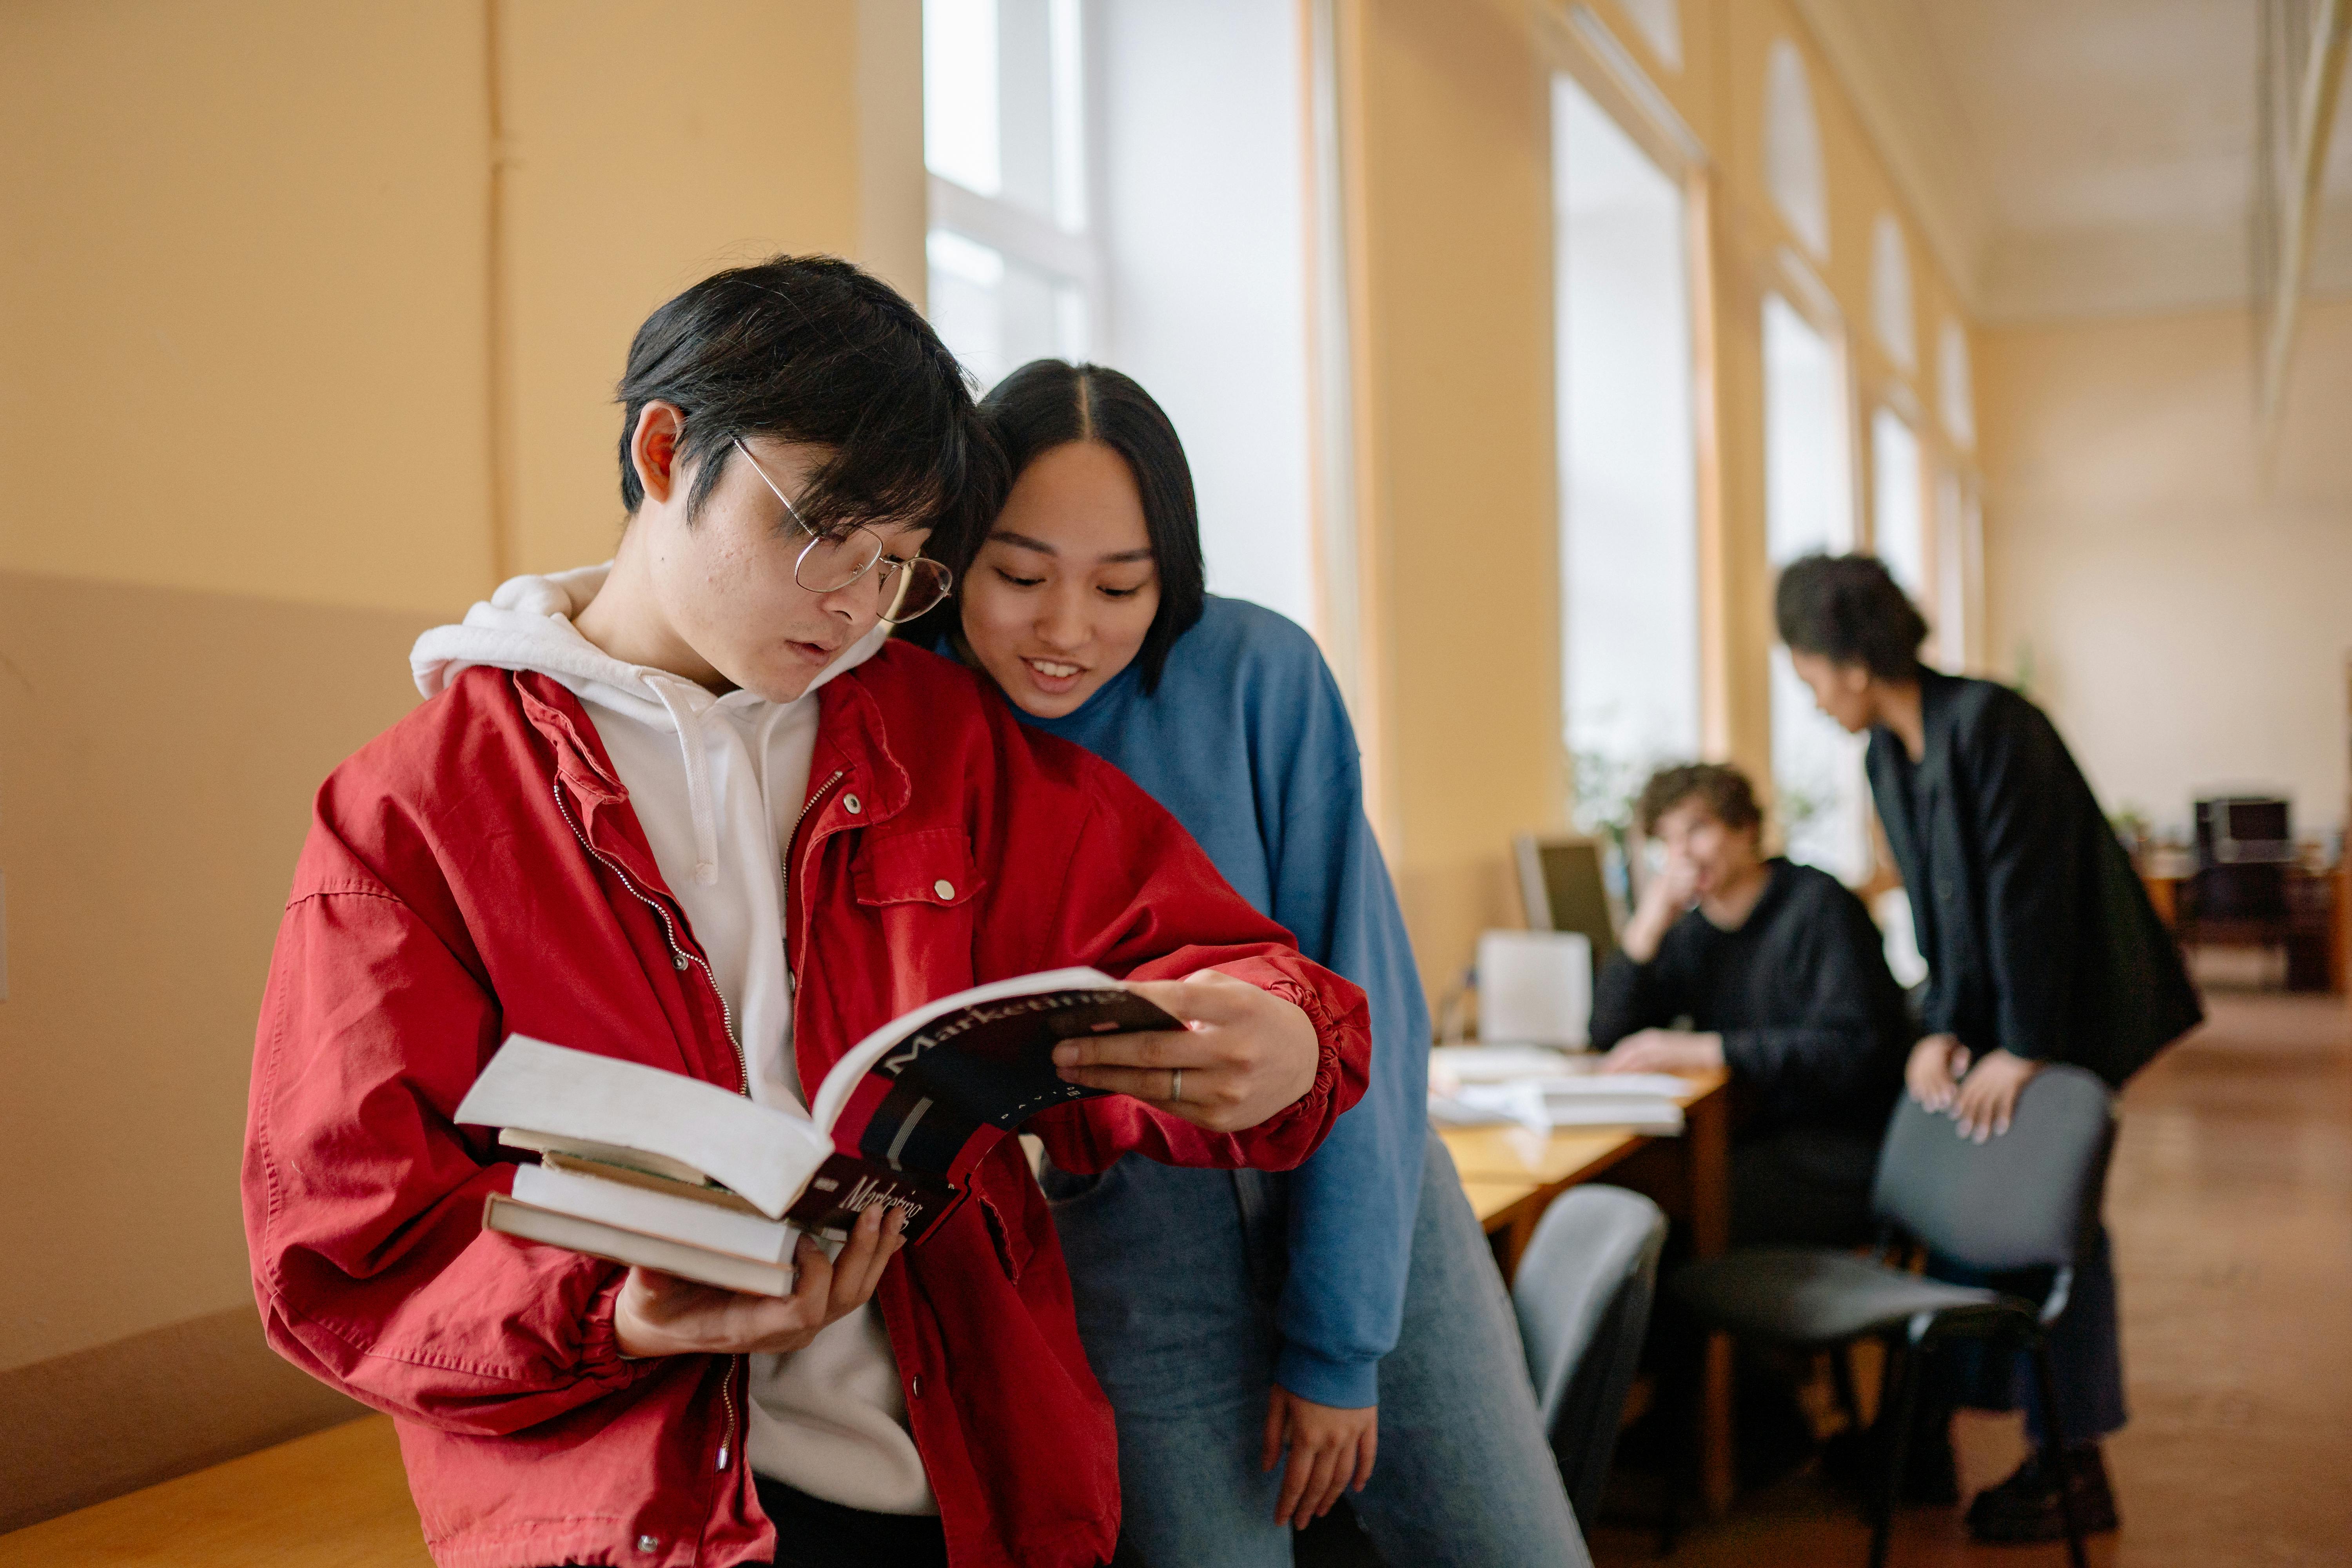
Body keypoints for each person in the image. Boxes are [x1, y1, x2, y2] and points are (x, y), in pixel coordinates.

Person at [240, 257, 1373, 1568]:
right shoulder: (417, 809)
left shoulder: (930, 738)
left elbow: (1193, 941)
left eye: (900, 567)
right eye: (823, 531)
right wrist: (620, 1314)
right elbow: (346, 1252)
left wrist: (1283, 1033)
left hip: (969, 1494)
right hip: (637, 1520)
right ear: (666, 452)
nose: (854, 604)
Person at [906, 359, 1588, 1568]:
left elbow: (1370, 1004)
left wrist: (1338, 1340)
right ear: (954, 547)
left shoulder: (1259, 674)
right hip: (1126, 1244)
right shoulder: (910, 721)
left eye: (1122, 585)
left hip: (1366, 1201)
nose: (1067, 630)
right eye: (1018, 576)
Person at [1776, 552, 2201, 1544]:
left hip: (2071, 1008)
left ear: (1846, 660)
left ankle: (2072, 1466)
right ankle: (1932, 1433)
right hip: (2006, 1014)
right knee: (1972, 1199)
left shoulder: (1993, 724)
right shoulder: (1887, 755)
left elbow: (2029, 900)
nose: (1808, 693)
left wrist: (2024, 1046)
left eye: (1804, 670)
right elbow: (1944, 916)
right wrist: (1942, 1033)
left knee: (2051, 1218)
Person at [1590, 762, 1912, 1248]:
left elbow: (1856, 1050)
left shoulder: (1820, 905)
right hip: (1747, 1138)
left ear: (1746, 828)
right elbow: (1608, 1035)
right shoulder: (1693, 933)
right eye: (1668, 842)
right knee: (1620, 1198)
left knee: (1670, 1218)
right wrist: (1647, 927)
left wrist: (1711, 1051)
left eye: (1697, 830)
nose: (1683, 856)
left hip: (1839, 1148)